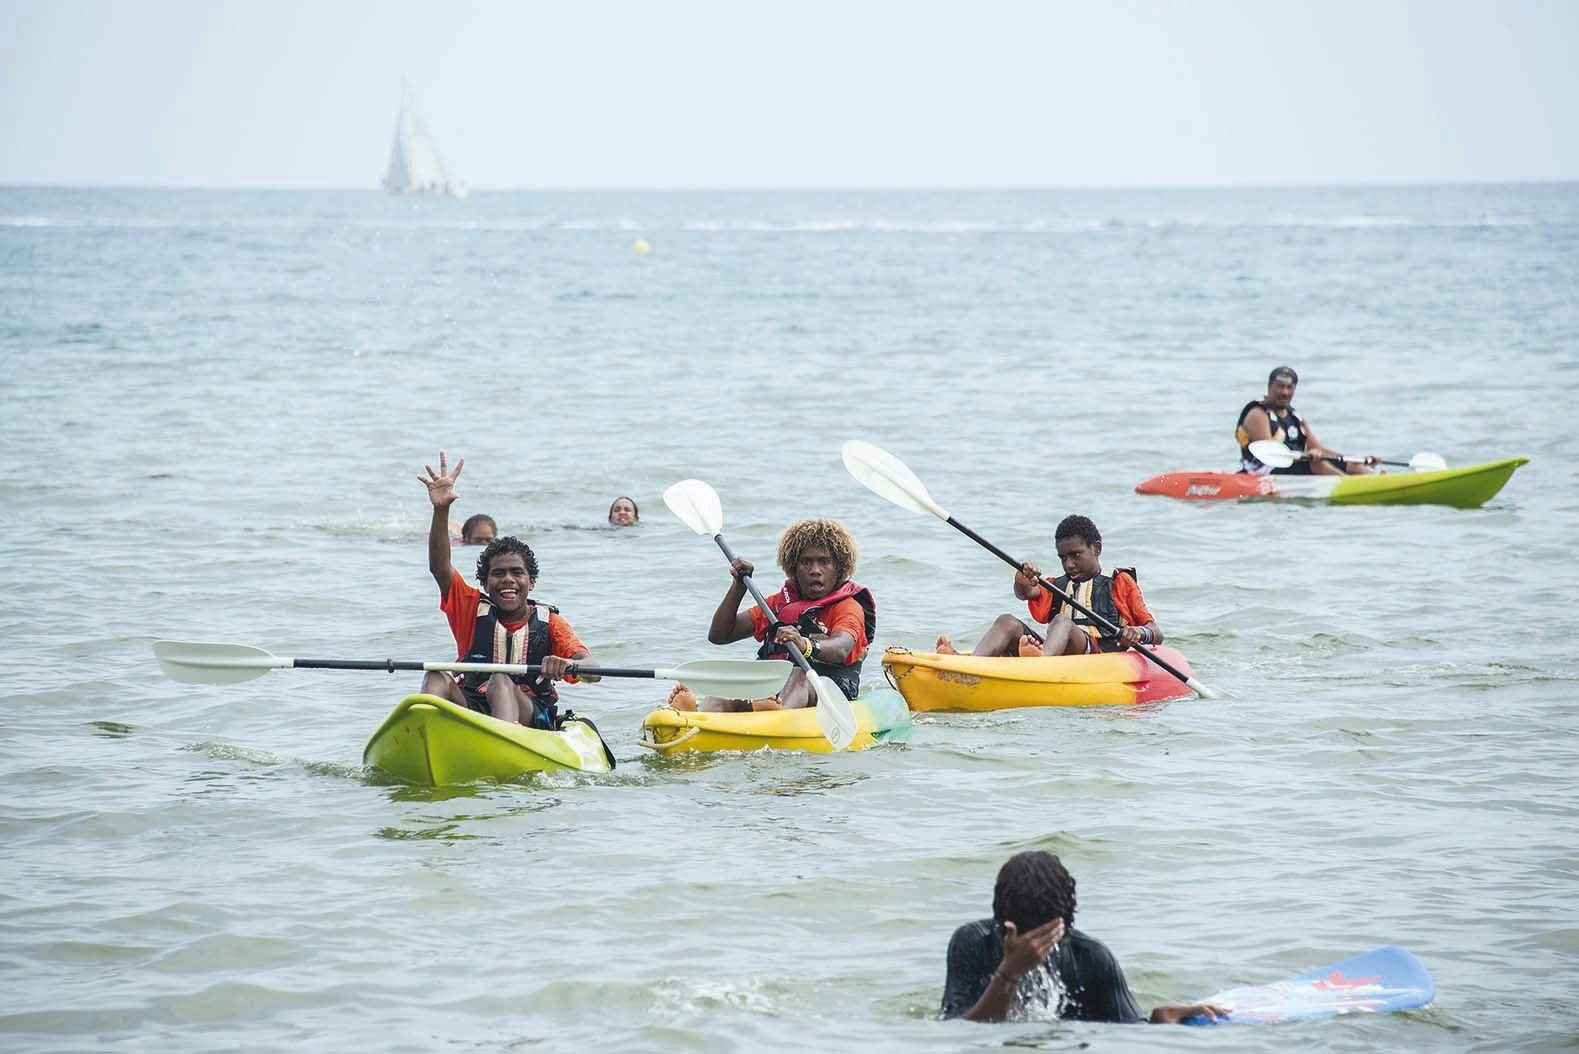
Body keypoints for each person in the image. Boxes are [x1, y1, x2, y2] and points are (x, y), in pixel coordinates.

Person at [941, 851, 1227, 1024]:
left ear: (1064, 923)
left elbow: (1129, 1034)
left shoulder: (1091, 959)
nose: (1035, 946)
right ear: (1002, 921)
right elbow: (957, 1033)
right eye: (1024, 932)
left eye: (1046, 934)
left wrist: (1160, 1019)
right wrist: (1010, 972)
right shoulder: (972, 943)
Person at [418, 451, 598, 727]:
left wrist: (569, 665)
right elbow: (440, 570)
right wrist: (441, 509)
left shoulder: (549, 623)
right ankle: (425, 735)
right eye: (498, 574)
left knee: (500, 680)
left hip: (529, 713)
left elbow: (593, 670)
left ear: (531, 582)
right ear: (485, 583)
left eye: (517, 573)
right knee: (435, 674)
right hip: (474, 705)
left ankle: (502, 743)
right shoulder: (469, 609)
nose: (508, 580)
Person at [667, 518, 875, 712]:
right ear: (793, 567)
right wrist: (738, 587)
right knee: (725, 694)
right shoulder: (779, 603)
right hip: (775, 685)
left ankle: (774, 715)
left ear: (839, 568)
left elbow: (840, 648)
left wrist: (805, 645)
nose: (815, 570)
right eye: (806, 562)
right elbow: (720, 635)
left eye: (824, 562)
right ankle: (695, 719)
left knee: (798, 675)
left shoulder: (848, 606)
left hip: (828, 688)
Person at [936, 515, 1159, 659]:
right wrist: (1022, 580)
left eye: (1075, 555)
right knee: (1007, 621)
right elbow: (1026, 593)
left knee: (1061, 621)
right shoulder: (1057, 586)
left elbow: (1156, 633)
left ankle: (1040, 662)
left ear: (1096, 549)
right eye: (1063, 558)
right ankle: (972, 665)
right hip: (1056, 655)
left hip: (1098, 654)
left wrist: (1138, 632)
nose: (1069, 564)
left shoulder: (1120, 584)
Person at [1236, 365, 1372, 476]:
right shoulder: (1258, 413)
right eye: (1280, 386)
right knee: (1317, 463)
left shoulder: (1295, 417)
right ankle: (1351, 486)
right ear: (1270, 386)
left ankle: (1376, 480)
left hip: (1297, 466)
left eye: (1289, 387)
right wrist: (1306, 455)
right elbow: (1269, 453)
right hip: (1264, 472)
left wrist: (1358, 459)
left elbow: (1319, 449)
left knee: (1354, 465)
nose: (1284, 392)